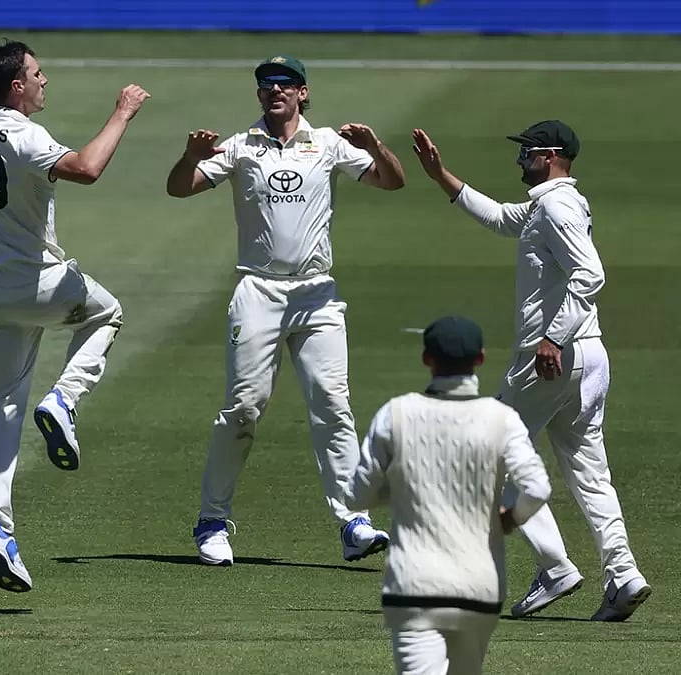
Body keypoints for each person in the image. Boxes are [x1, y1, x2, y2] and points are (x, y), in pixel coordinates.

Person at [164, 54, 405, 565]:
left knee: (333, 404)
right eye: (268, 84)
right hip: (258, 291)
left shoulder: (330, 144)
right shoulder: (239, 146)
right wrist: (189, 156)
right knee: (244, 408)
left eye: (287, 83)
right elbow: (180, 187)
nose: (277, 90)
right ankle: (211, 521)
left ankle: (353, 521)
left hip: (317, 294)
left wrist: (375, 147)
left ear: (303, 92)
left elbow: (392, 180)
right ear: (259, 95)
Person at [412, 121, 651, 621]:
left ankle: (555, 565)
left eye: (526, 153)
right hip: (587, 358)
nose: (519, 161)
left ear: (550, 156)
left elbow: (591, 272)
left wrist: (551, 338)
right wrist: (442, 176)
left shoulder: (558, 206)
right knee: (589, 470)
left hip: (552, 357)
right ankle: (623, 573)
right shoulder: (549, 204)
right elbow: (501, 217)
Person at [0, 40, 149, 592]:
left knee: (3, 406)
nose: (44, 80)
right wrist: (122, 112)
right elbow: (87, 169)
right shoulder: (25, 134)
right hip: (39, 283)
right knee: (108, 314)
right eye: (37, 73)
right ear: (17, 87)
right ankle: (65, 399)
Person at [346, 316, 551, 675]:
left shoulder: (396, 413)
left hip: (413, 587)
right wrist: (509, 518)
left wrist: (402, 488)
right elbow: (537, 489)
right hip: (478, 589)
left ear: (427, 359)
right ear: (481, 358)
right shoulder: (501, 419)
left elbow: (356, 496)